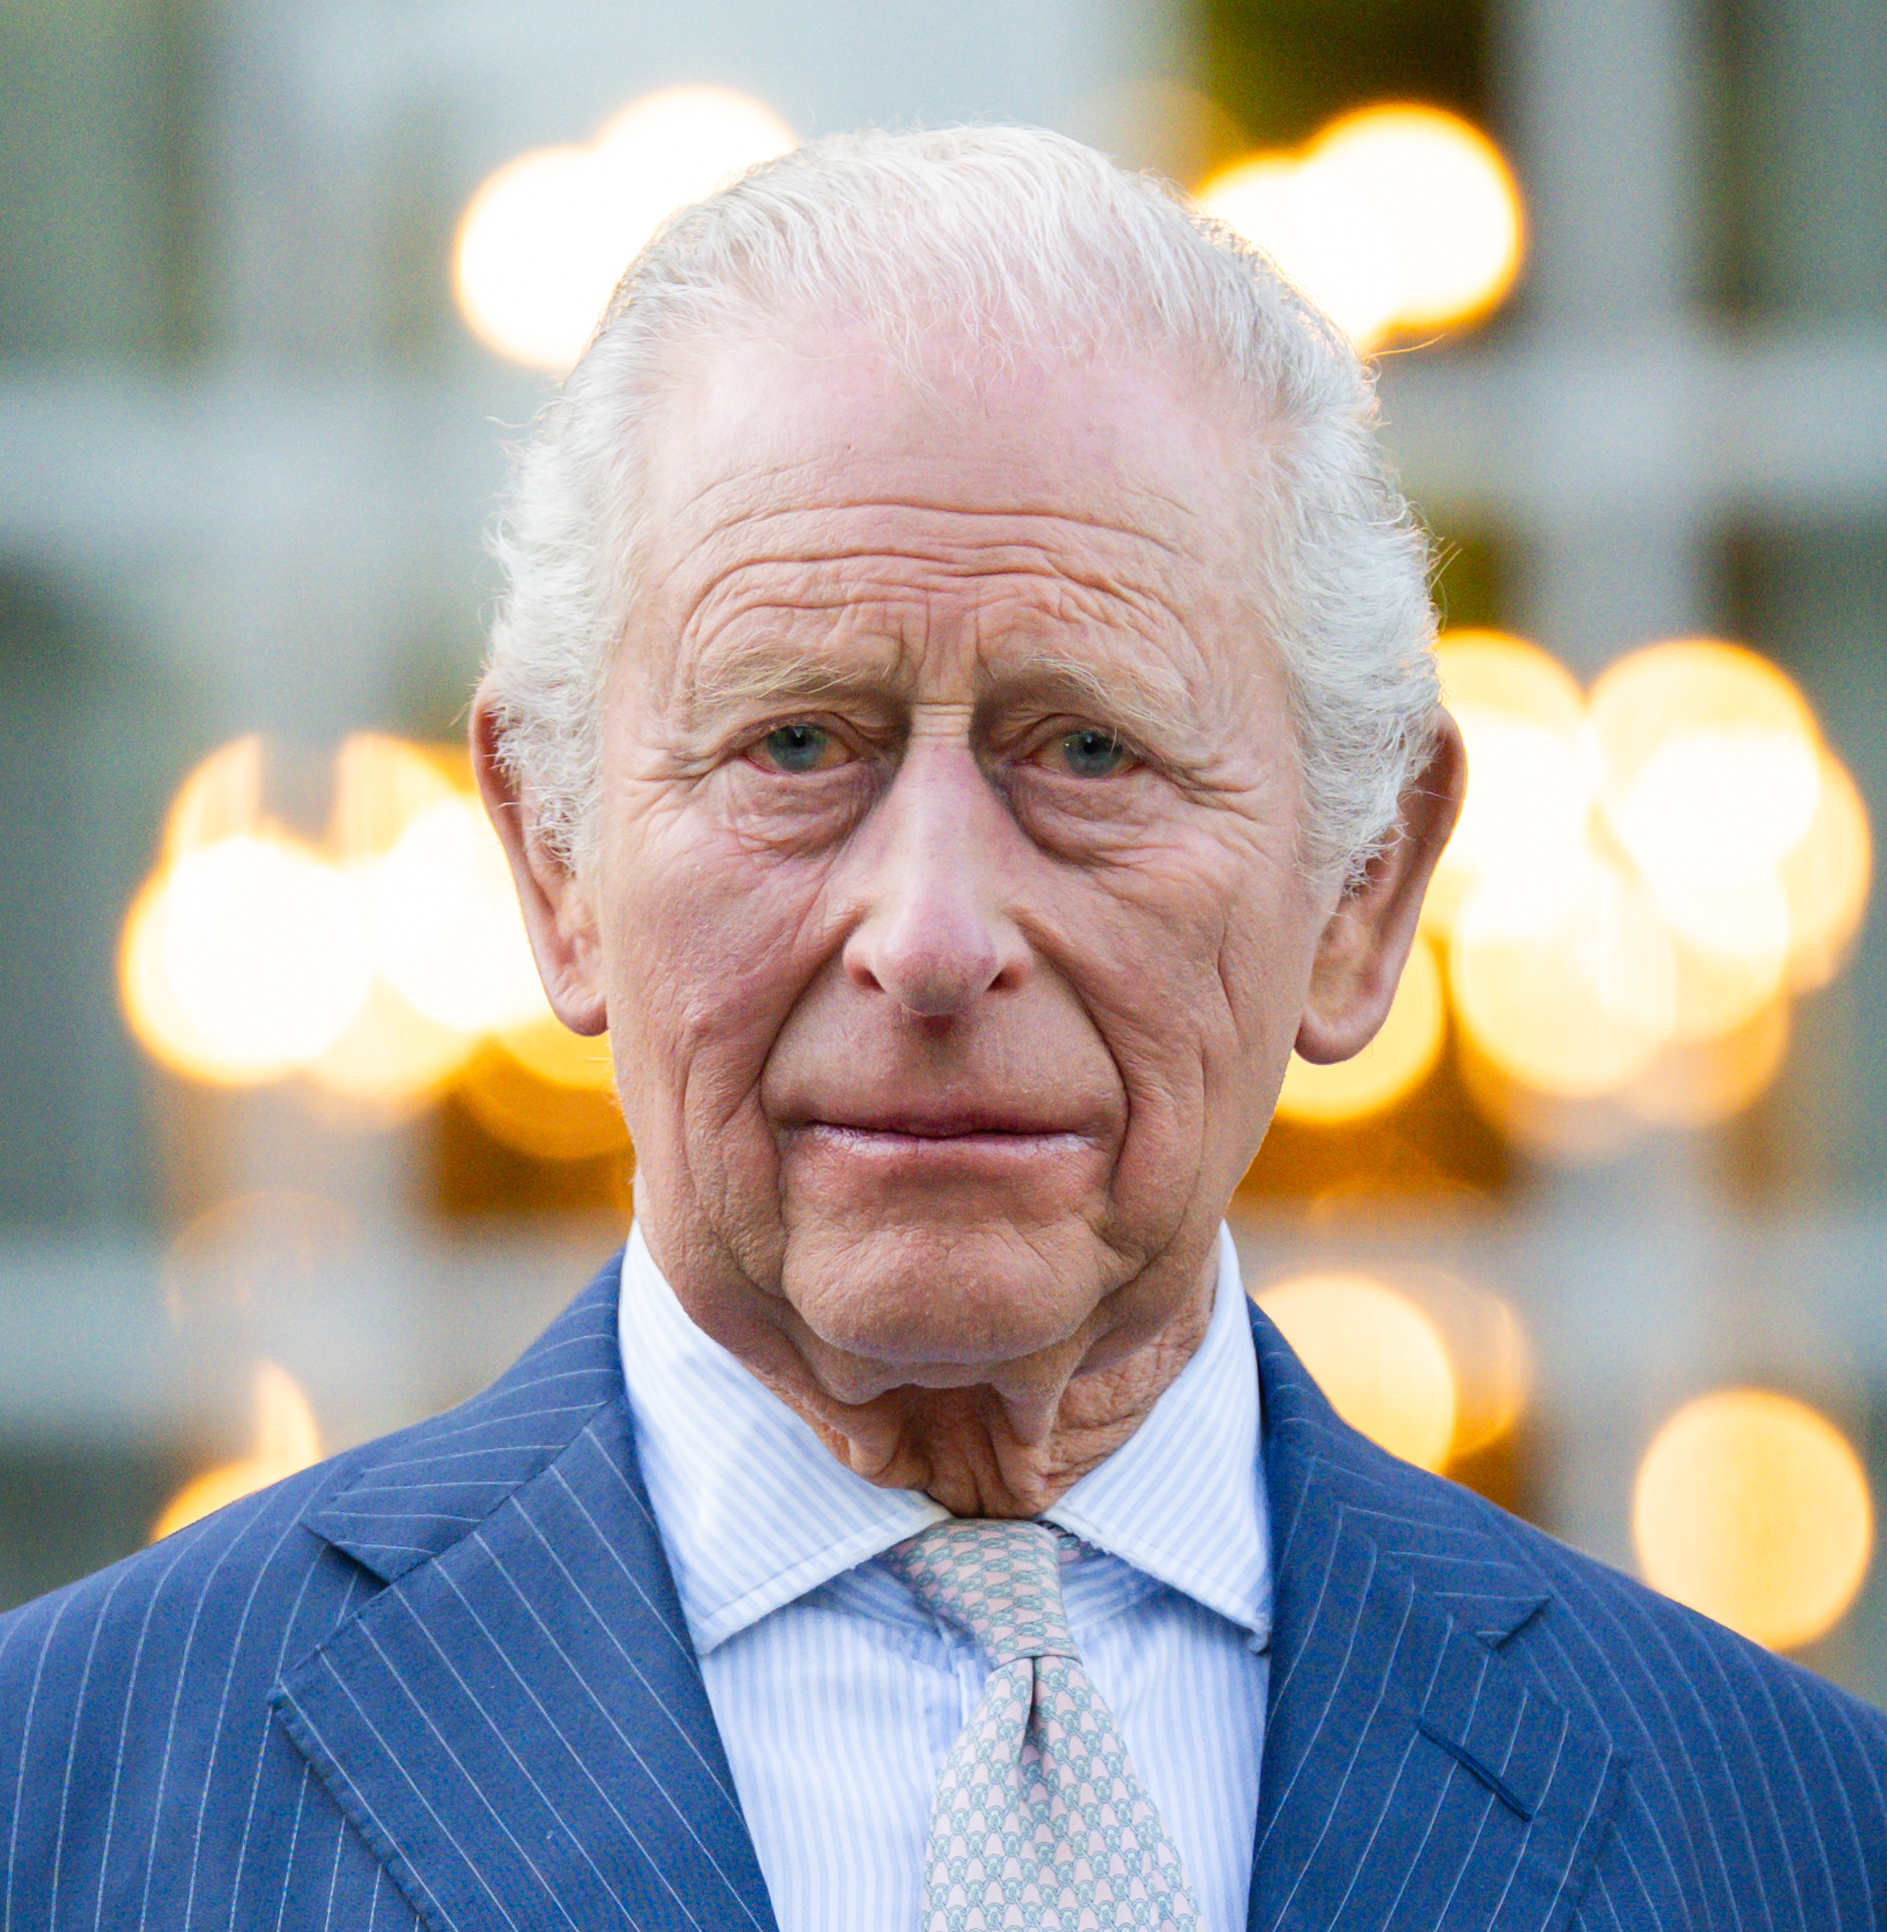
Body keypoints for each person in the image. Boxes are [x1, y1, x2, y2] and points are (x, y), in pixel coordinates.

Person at [3, 126, 1884, 1932]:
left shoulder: (1799, 1837)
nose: (929, 935)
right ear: (556, 860)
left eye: (1086, 749)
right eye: (796, 746)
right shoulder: (59, 1798)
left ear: (1366, 885)